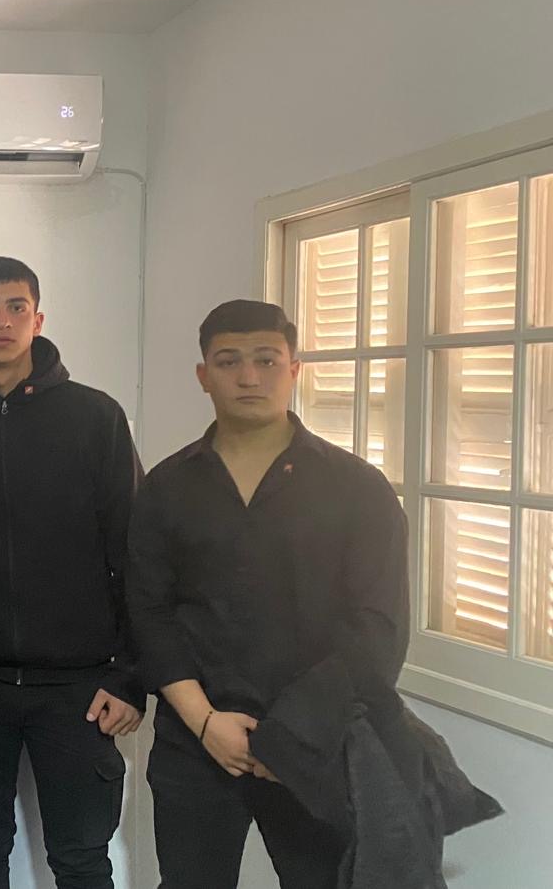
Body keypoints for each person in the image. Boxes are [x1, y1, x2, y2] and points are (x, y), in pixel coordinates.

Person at [127, 300, 409, 888]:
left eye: (266, 360)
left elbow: (379, 627)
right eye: (228, 361)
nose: (249, 376)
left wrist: (292, 737)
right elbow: (149, 612)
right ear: (203, 375)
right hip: (196, 742)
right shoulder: (166, 487)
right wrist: (206, 722)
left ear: (294, 369)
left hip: (316, 746)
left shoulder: (357, 488)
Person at [0, 256, 143, 889]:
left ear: (38, 320)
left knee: (81, 859)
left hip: (79, 686)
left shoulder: (95, 417)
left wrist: (130, 676)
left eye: (16, 307)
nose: (2, 322)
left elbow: (133, 553)